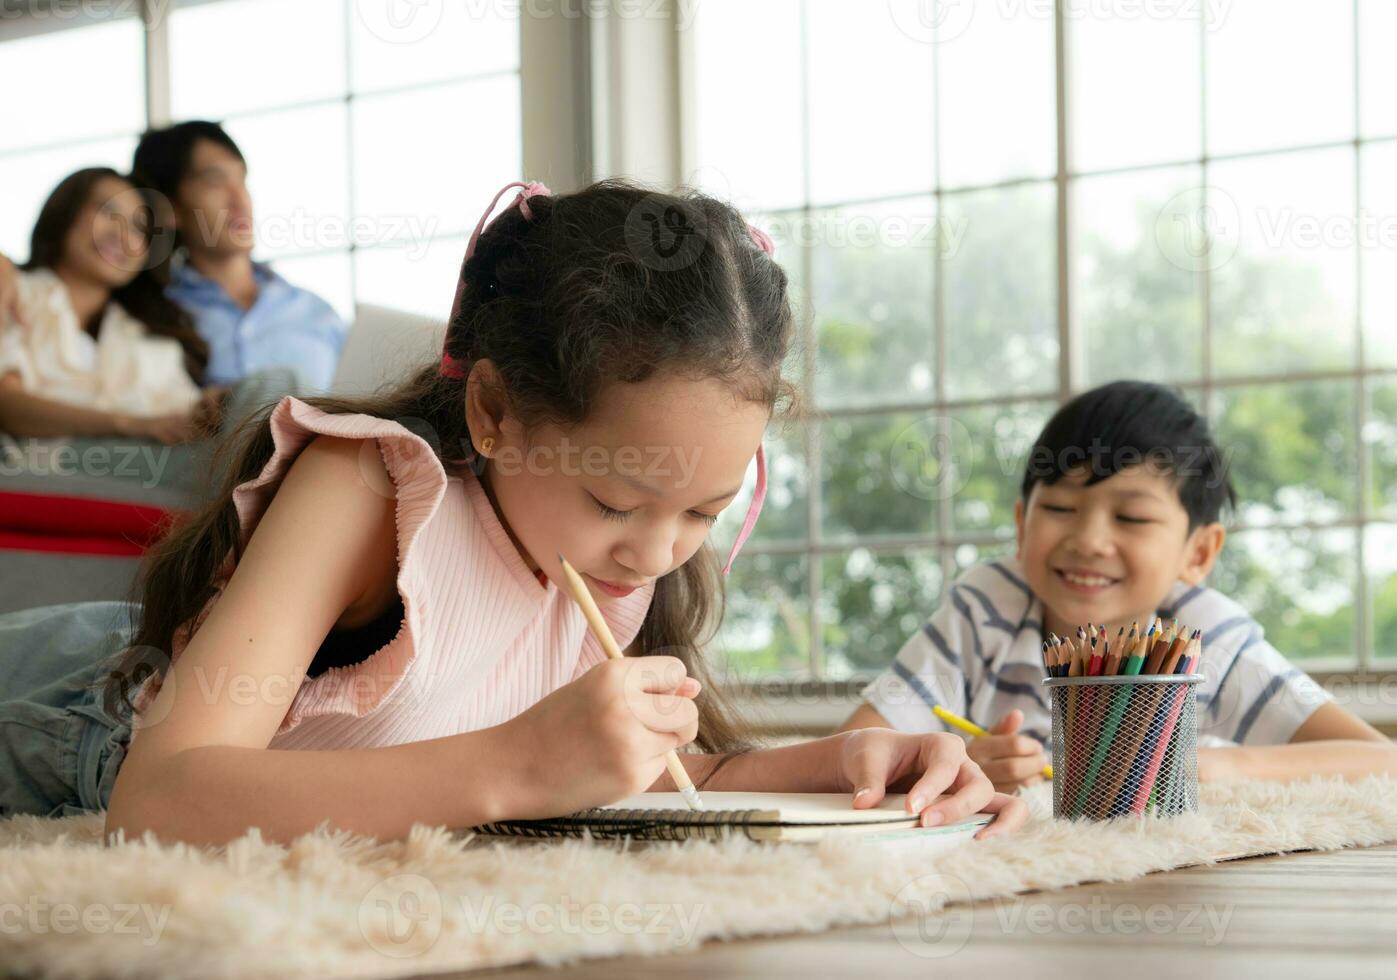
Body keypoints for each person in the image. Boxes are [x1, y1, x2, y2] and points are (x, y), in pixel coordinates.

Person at [0, 180, 1028, 846]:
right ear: (494, 410)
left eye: (705, 511)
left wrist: (847, 760)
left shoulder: (612, 551)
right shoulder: (372, 491)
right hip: (65, 702)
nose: (660, 550)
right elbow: (161, 796)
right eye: (617, 499)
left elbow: (659, 773)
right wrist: (515, 765)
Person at [841, 381, 1397, 791]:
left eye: (1133, 518)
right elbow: (852, 750)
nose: (1089, 540)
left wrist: (1214, 767)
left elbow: (1384, 763)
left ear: (1200, 551)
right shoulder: (988, 607)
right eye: (1062, 507)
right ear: (1021, 526)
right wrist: (957, 763)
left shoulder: (1204, 637)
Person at [0, 167, 220, 444]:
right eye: (107, 211)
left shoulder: (146, 335)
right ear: (66, 213)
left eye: (139, 228)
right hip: (43, 472)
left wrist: (214, 405)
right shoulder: (12, 291)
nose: (122, 235)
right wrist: (129, 425)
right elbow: (6, 405)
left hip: (142, 475)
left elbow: (185, 417)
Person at [130, 121, 346, 393]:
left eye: (242, 180)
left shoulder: (318, 314)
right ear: (170, 207)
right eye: (215, 182)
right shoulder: (152, 319)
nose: (240, 200)